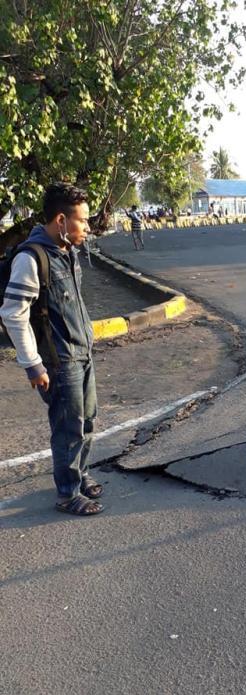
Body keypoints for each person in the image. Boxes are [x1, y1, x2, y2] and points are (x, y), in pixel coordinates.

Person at [0, 182, 104, 516]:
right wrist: (33, 364)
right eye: (82, 221)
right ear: (61, 220)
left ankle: (80, 474)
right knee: (67, 428)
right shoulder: (31, 259)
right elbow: (12, 314)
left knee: (87, 421)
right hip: (60, 362)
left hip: (82, 352)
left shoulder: (67, 252)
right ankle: (67, 493)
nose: (87, 227)